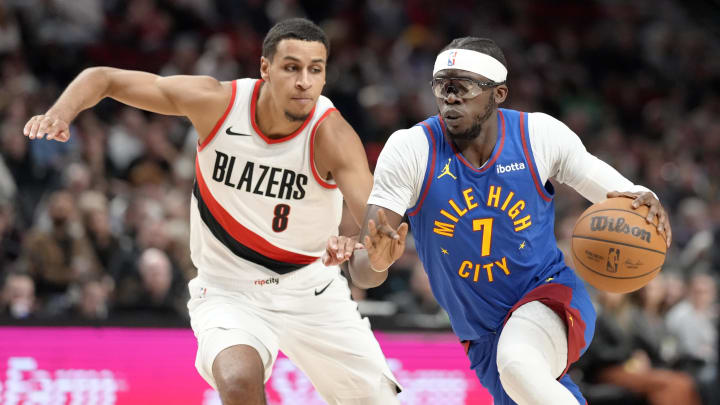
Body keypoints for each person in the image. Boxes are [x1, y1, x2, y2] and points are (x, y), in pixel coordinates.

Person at [23, 18, 400, 405]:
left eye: (315, 70)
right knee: (238, 381)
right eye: (291, 67)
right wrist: (61, 113)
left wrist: (376, 259)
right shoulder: (218, 103)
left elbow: (368, 270)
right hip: (228, 288)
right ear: (265, 69)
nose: (304, 81)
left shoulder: (333, 136)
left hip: (311, 288)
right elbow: (103, 78)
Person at [327, 37, 672, 405]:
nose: (450, 97)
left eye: (463, 87)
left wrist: (644, 198)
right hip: (480, 332)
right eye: (442, 86)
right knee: (522, 379)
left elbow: (619, 191)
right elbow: (363, 270)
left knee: (518, 363)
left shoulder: (537, 135)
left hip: (548, 294)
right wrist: (376, 262)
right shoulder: (412, 149)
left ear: (499, 93)